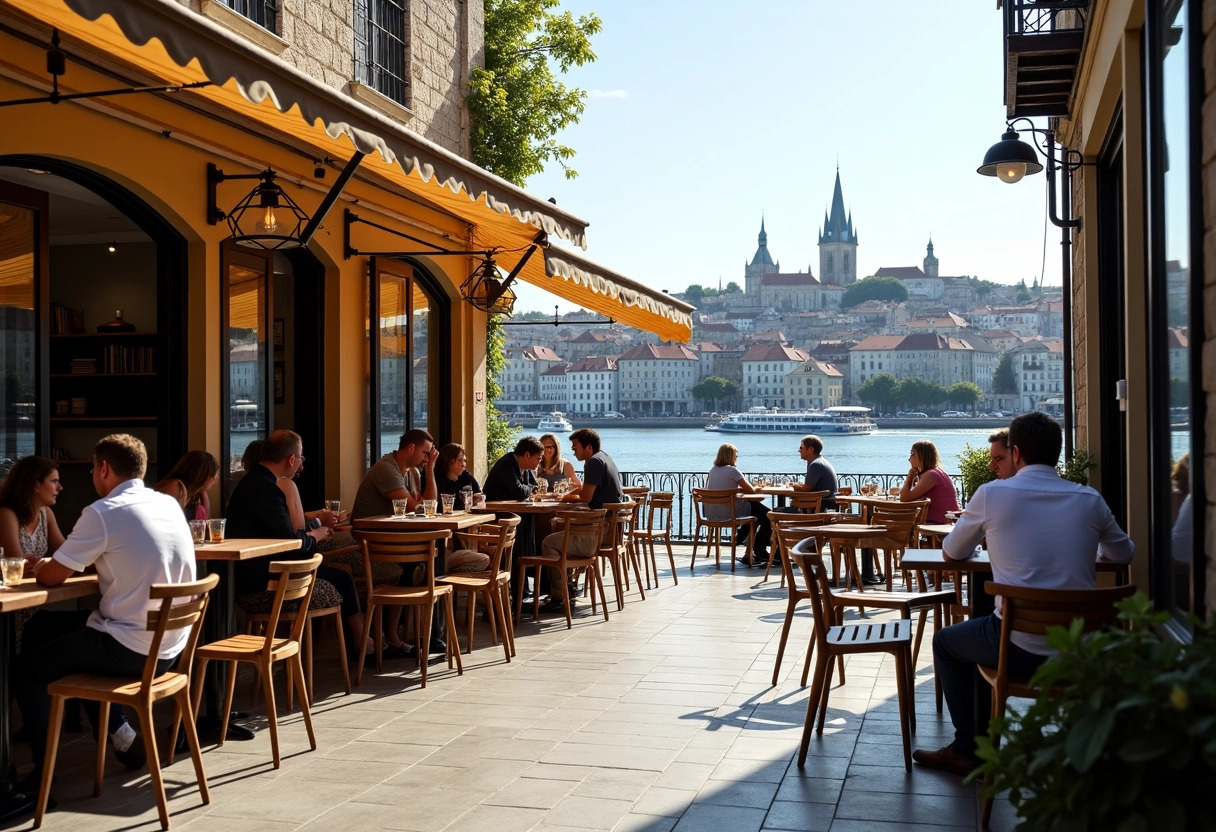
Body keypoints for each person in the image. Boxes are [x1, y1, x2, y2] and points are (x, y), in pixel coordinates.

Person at [912, 412, 1134, 776]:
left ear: (1016, 454)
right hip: (1078, 650)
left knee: (946, 643)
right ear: (1057, 454)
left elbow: (952, 552)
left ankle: (968, 749)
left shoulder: (992, 494)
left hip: (1014, 647)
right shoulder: (1089, 499)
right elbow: (1124, 555)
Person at [14, 434, 196, 789]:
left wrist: (38, 566)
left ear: (103, 468)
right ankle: (120, 735)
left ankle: (40, 777)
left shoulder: (103, 512)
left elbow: (52, 575)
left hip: (131, 647)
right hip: (168, 647)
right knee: (42, 628)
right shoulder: (168, 504)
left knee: (27, 671)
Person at [226, 430, 367, 653]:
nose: (301, 464)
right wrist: (319, 533)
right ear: (291, 459)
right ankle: (362, 644)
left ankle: (357, 643)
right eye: (300, 458)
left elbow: (285, 536)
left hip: (257, 578)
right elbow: (293, 546)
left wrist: (315, 526)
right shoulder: (267, 489)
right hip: (265, 587)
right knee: (341, 578)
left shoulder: (254, 482)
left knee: (337, 576)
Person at [537, 429, 627, 612]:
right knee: (560, 532)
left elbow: (586, 496)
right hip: (612, 531)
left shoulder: (593, 462)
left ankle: (559, 597)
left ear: (588, 447)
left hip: (599, 534)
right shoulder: (604, 458)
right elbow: (586, 490)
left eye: (575, 446)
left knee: (549, 543)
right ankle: (568, 588)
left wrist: (566, 498)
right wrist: (566, 495)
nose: (572, 449)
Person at [704, 443, 771, 567]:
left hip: (713, 513)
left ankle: (745, 548)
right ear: (730, 456)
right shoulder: (732, 470)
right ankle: (759, 549)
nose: (737, 457)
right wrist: (758, 487)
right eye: (736, 455)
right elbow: (750, 490)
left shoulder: (712, 471)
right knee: (769, 516)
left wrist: (736, 493)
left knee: (754, 516)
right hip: (731, 513)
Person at [0, 455, 66, 574]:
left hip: (31, 586)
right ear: (35, 485)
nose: (60, 487)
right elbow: (18, 565)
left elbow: (67, 554)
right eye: (54, 481)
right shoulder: (7, 514)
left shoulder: (46, 513)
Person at [352, 429, 438, 519]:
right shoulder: (386, 468)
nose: (428, 459)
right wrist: (430, 467)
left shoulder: (412, 472)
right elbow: (415, 508)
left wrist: (430, 470)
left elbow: (428, 508)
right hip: (367, 530)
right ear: (411, 448)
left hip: (389, 527)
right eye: (426, 453)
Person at [898, 440, 960, 524]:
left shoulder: (931, 475)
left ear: (922, 456)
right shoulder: (936, 472)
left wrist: (909, 477)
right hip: (945, 520)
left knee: (898, 524)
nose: (909, 459)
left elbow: (904, 498)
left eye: (912, 454)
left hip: (942, 522)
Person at [155, 450, 219, 521]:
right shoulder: (176, 487)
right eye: (214, 475)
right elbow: (165, 521)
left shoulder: (199, 493)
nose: (215, 479)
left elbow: (207, 524)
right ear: (204, 475)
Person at [426, 443, 482, 509]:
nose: (463, 464)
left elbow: (479, 494)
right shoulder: (438, 480)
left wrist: (477, 498)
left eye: (464, 460)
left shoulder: (466, 476)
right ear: (448, 461)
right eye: (460, 460)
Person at [792, 434, 837, 510]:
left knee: (774, 512)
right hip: (821, 503)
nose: (799, 450)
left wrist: (794, 485)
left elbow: (806, 488)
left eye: (801, 448)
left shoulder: (816, 464)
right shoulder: (820, 462)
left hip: (817, 507)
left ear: (811, 449)